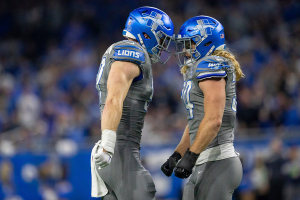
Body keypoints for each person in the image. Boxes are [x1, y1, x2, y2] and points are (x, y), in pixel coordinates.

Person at [91, 6, 174, 200]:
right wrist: (108, 145)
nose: (162, 46)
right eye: (161, 38)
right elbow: (114, 98)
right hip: (121, 156)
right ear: (146, 33)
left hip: (118, 158)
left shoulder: (128, 52)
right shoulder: (130, 51)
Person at [161, 16, 244, 200]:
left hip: (217, 161)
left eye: (189, 43)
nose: (185, 50)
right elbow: (198, 121)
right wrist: (178, 154)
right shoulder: (201, 67)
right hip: (207, 161)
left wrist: (191, 156)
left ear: (205, 42)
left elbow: (214, 120)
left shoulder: (210, 64)